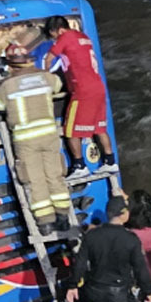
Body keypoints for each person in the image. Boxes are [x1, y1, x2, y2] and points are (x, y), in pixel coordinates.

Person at [0, 43, 71, 235]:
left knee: (34, 180)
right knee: (54, 175)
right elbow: (59, 86)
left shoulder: (6, 85)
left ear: (10, 65)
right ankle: (63, 216)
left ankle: (45, 223)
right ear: (28, 60)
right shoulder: (46, 77)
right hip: (49, 135)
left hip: (25, 140)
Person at [41, 16, 117, 180]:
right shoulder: (83, 37)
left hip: (82, 91)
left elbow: (48, 58)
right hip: (97, 86)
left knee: (70, 131)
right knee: (100, 128)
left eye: (53, 35)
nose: (54, 39)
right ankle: (110, 162)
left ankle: (78, 165)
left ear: (58, 30)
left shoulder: (65, 37)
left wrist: (44, 78)